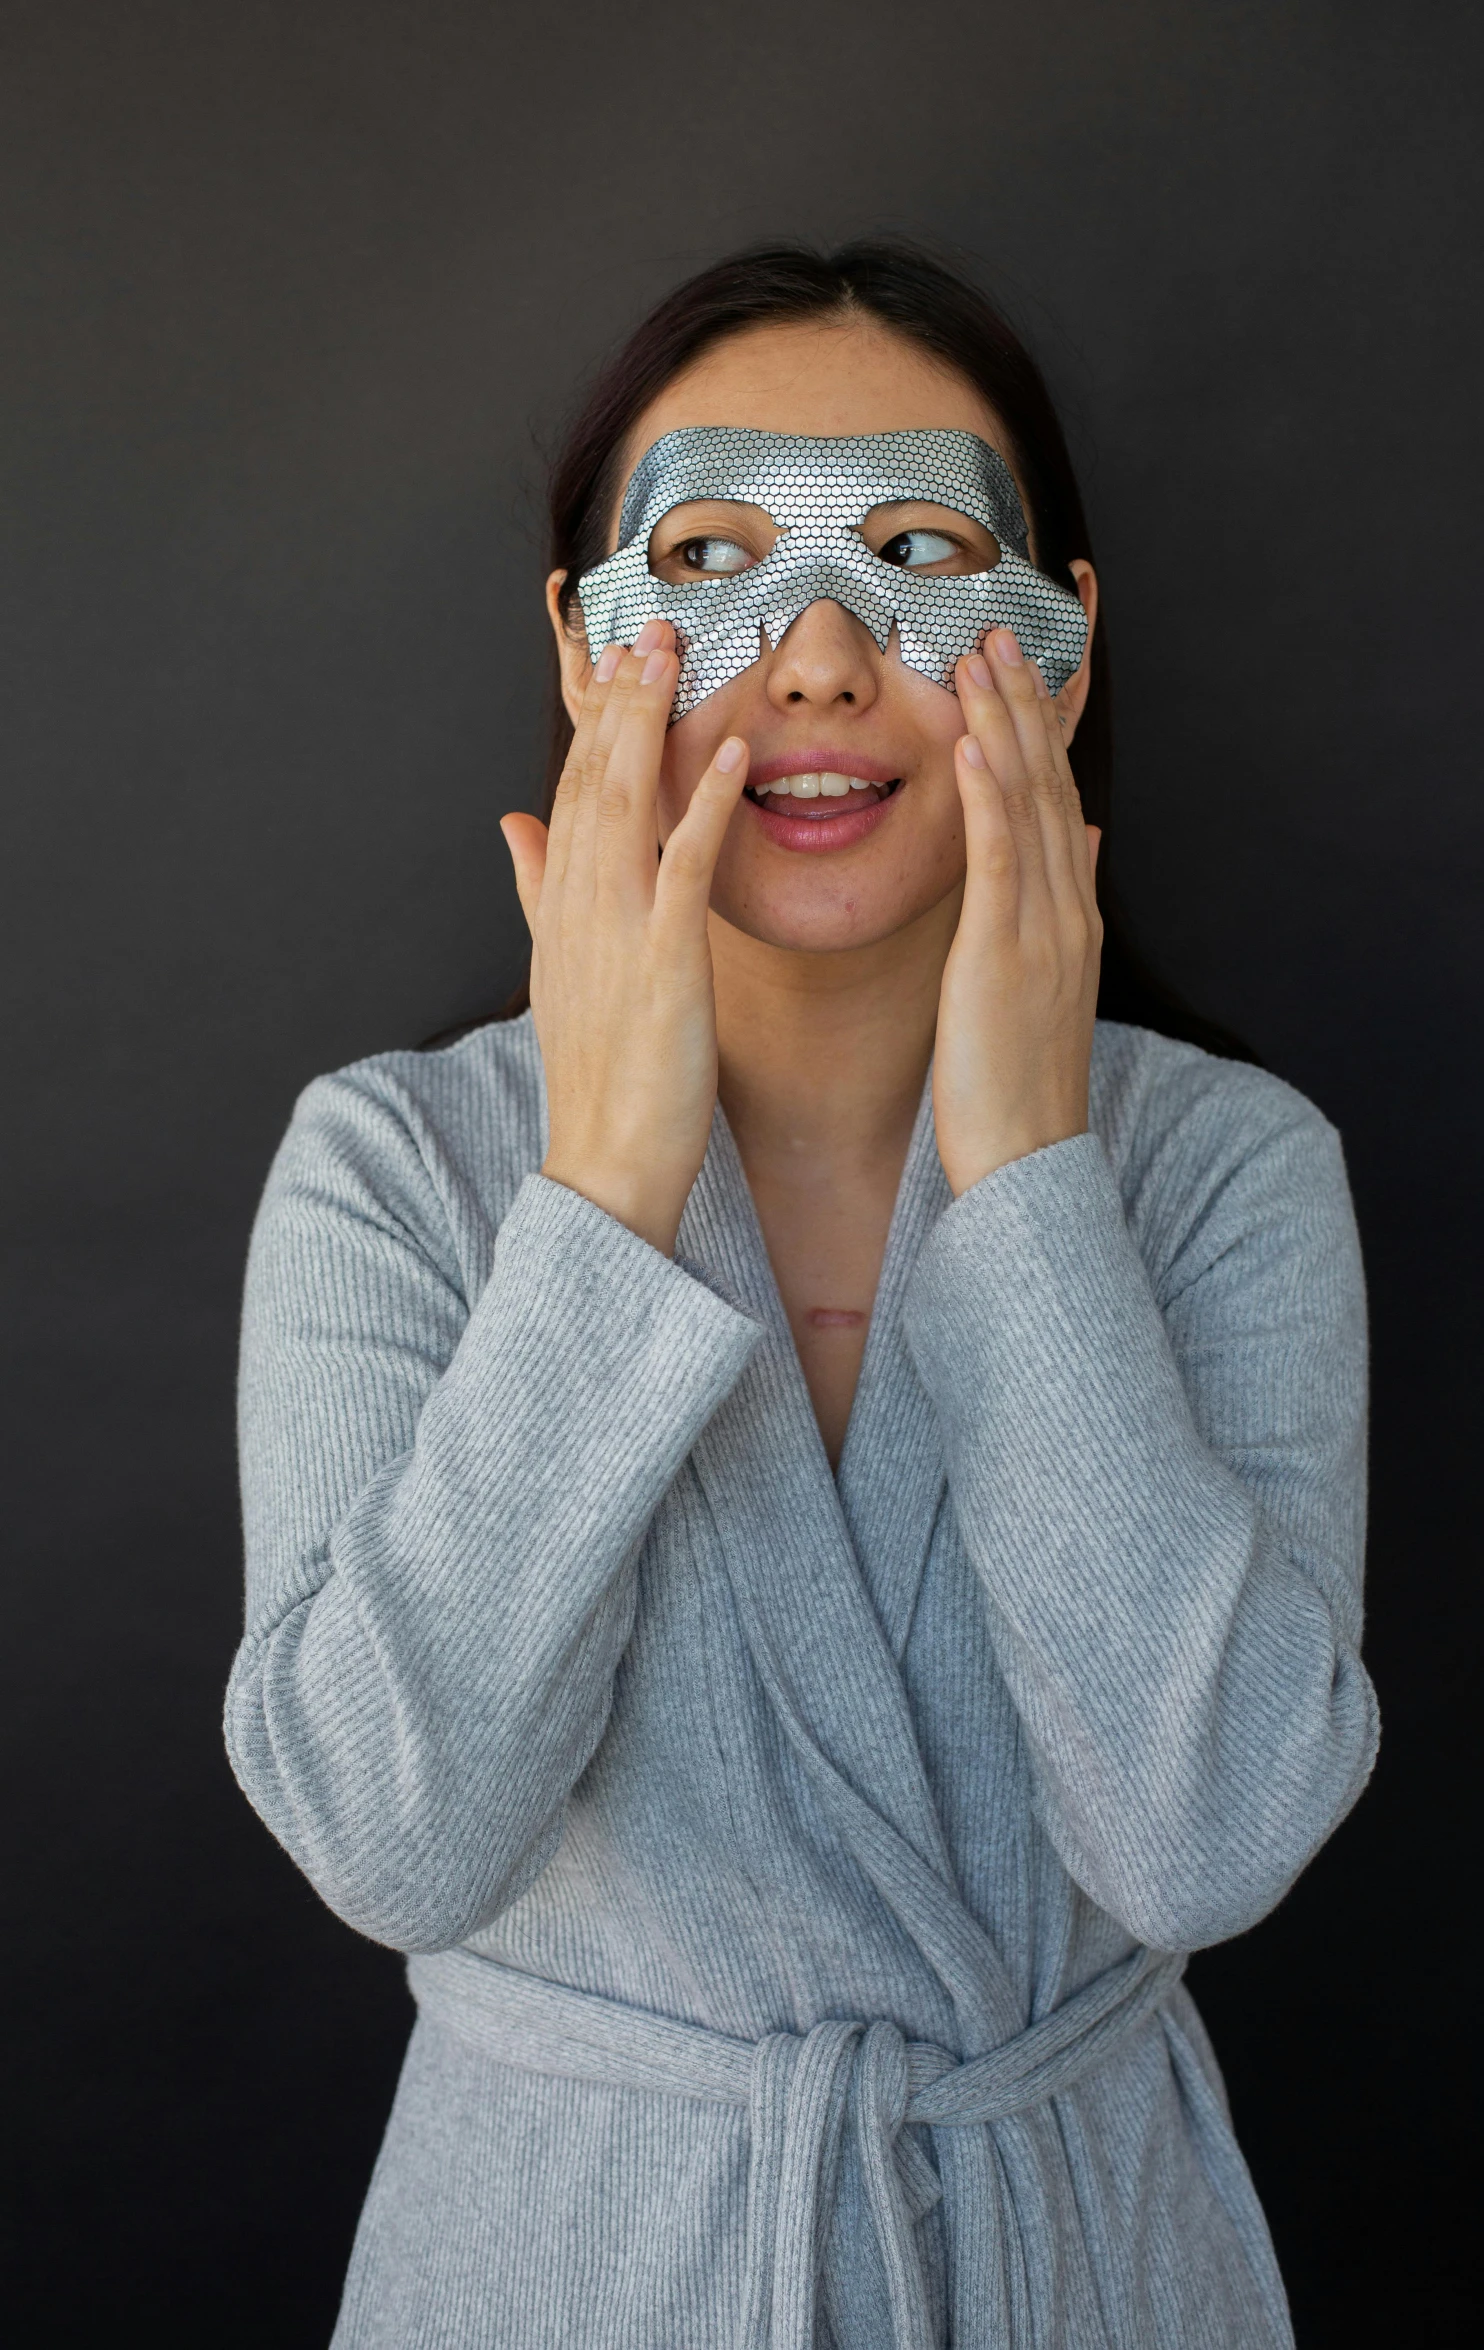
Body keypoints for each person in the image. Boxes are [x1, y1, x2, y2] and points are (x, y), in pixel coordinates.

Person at [227, 241, 1378, 2349]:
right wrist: (600, 1195)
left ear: (1067, 642)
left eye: (924, 552)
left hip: (1079, 2269)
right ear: (590, 656)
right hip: (563, 2267)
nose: (825, 655)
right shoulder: (394, 1169)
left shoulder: (1226, 1174)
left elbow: (1206, 1839)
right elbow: (394, 1837)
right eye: (719, 553)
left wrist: (1031, 1182)